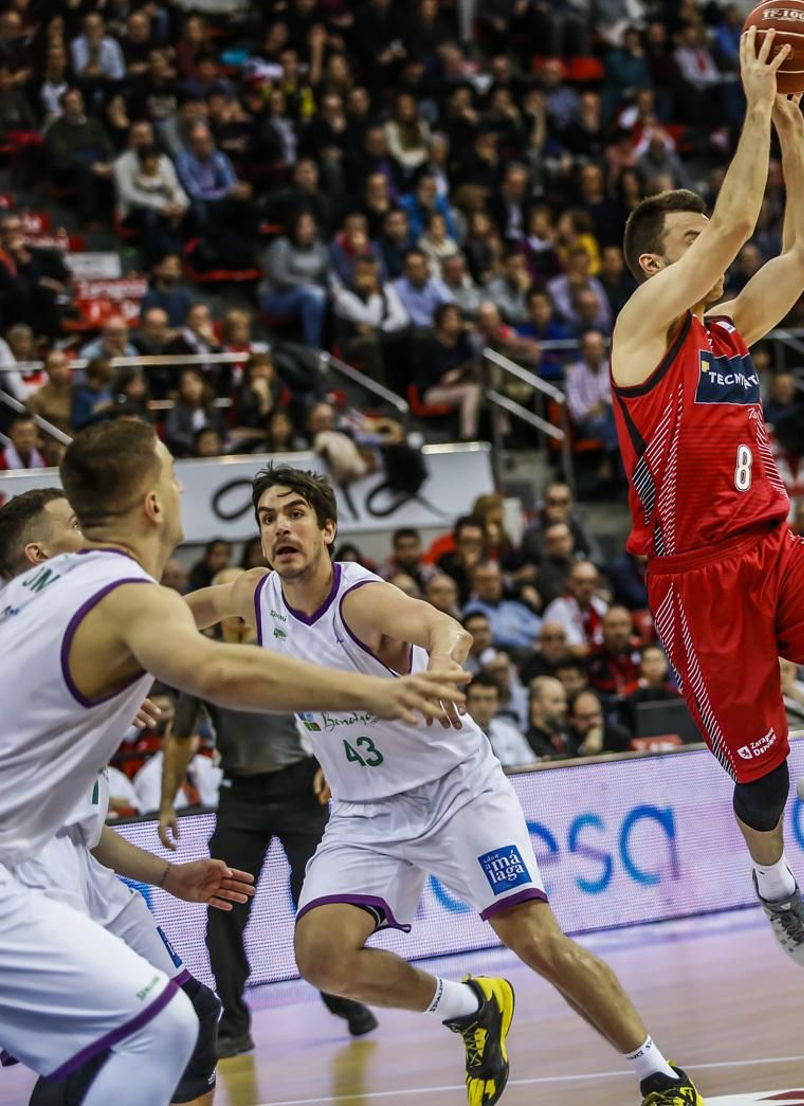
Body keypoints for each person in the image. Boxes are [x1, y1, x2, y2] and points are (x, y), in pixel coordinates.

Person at [185, 466, 702, 1106]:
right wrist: (116, 640)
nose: (280, 526)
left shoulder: (357, 598)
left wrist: (440, 668)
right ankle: (470, 1007)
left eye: (294, 513)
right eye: (267, 517)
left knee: (536, 940)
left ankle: (658, 1073)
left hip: (453, 791)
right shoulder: (256, 595)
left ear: (327, 528)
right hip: (365, 810)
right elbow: (185, 612)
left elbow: (443, 626)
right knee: (322, 959)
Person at [0, 422, 463, 1106]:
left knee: (157, 1032)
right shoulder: (125, 596)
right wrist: (380, 691)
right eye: (172, 476)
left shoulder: (43, 593)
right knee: (159, 1033)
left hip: (27, 872)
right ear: (154, 504)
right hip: (19, 875)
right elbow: (215, 667)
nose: (182, 488)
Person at [610, 28, 804, 972]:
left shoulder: (729, 329)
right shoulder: (638, 333)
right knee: (760, 781)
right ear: (657, 269)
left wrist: (790, 129)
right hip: (693, 579)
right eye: (693, 242)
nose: (716, 248)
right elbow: (746, 227)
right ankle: (775, 885)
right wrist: (748, 103)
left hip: (773, 548)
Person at [0, 487, 247, 1106]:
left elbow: (87, 829)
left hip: (76, 858)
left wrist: (167, 874)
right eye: (75, 524)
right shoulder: (31, 631)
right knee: (106, 1040)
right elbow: (173, 632)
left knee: (187, 1014)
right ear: (37, 555)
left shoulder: (66, 636)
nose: (90, 532)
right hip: (24, 866)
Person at [159, 567, 378, 1058]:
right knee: (224, 908)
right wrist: (168, 802)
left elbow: (334, 706)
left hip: (302, 791)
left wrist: (332, 761)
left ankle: (342, 997)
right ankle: (233, 1023)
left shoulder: (287, 652)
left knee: (322, 902)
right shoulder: (202, 667)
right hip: (241, 798)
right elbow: (180, 739)